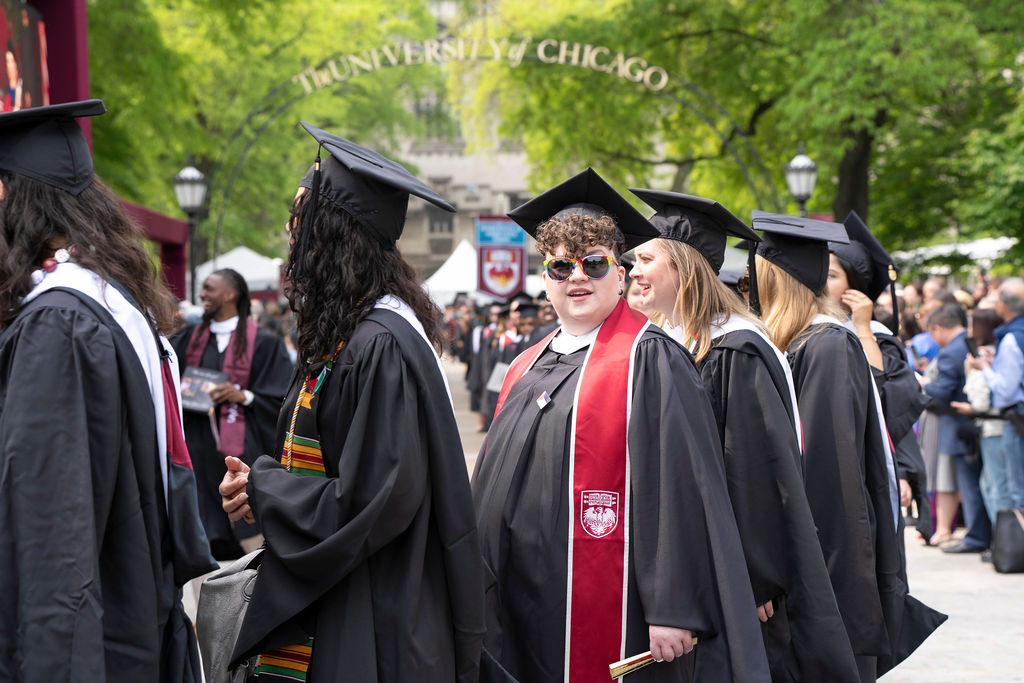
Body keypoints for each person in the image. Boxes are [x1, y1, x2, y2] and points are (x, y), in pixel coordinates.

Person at [473, 168, 770, 683]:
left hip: (604, 598)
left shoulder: (649, 357)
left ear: (619, 269)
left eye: (593, 263)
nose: (577, 278)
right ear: (545, 277)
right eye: (561, 266)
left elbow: (681, 485)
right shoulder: (526, 364)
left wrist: (674, 606)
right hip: (515, 595)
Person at [218, 122, 484, 681]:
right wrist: (260, 487)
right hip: (346, 590)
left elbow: (376, 497)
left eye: (299, 219)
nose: (289, 234)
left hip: (370, 609)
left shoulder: (378, 344)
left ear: (333, 234)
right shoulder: (347, 335)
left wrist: (266, 489)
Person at [0, 100, 216, 681]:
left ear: (12, 202)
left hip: (82, 646)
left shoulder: (59, 324)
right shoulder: (113, 301)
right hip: (131, 621)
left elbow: (51, 539)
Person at [627, 188, 859, 682]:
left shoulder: (735, 349)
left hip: (740, 581)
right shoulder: (685, 340)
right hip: (706, 562)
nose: (634, 270)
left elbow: (757, 473)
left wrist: (754, 582)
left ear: (685, 268)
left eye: (647, 258)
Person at [751, 211, 945, 682]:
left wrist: (798, 572)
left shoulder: (828, 345)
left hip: (824, 563)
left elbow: (827, 472)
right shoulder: (802, 342)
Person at [171, 268, 293, 559]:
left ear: (230, 294)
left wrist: (245, 396)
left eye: (209, 288)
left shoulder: (264, 342)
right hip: (197, 454)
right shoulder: (187, 339)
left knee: (252, 549)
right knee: (201, 544)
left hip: (241, 454)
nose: (202, 295)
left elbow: (282, 397)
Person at [827, 212, 931, 544]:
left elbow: (890, 407)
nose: (817, 281)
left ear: (854, 289)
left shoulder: (878, 339)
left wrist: (861, 327)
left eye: (829, 274)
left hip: (867, 472)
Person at [921, 303, 991, 554]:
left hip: (959, 426)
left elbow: (944, 394)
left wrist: (924, 383)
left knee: (969, 484)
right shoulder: (968, 342)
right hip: (974, 424)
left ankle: (976, 537)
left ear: (937, 328)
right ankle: (983, 535)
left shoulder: (951, 351)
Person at [969, 277, 1024, 510]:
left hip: (1017, 418)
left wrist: (986, 370)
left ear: (1003, 305)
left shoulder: (1012, 338)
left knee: (1017, 490)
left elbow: (1005, 390)